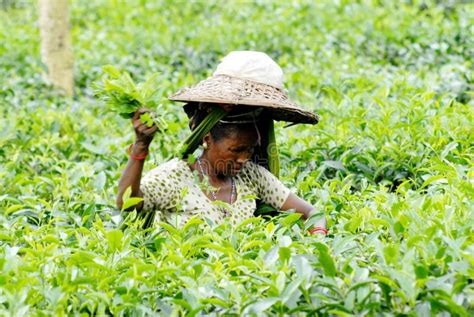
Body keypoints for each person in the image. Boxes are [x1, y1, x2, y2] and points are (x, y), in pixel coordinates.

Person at [116, 51, 327, 234]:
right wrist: (141, 146)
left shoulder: (252, 176)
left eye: (250, 149)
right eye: (236, 149)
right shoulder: (173, 178)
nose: (244, 158)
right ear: (207, 138)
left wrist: (319, 241)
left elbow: (311, 213)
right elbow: (127, 203)